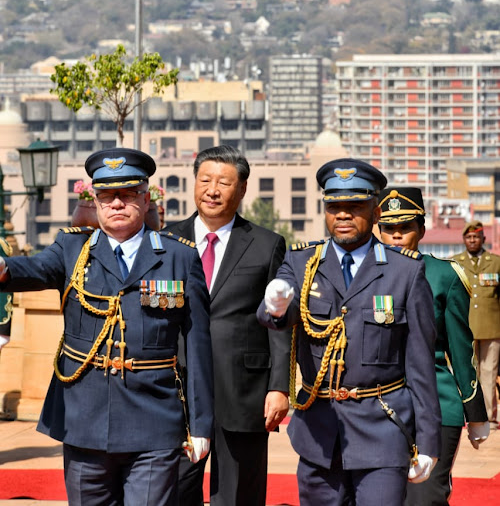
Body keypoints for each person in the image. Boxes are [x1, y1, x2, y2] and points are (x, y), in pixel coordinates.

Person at [0, 147, 213, 506]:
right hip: (85, 420)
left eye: (127, 194)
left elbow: (198, 345)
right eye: (106, 196)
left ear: (146, 200)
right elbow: (27, 270)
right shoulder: (71, 249)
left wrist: (202, 424)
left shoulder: (179, 257)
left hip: (154, 421)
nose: (116, 203)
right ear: (95, 201)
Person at [258, 158, 441, 506]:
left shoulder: (405, 271)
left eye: (354, 205)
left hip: (382, 428)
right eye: (334, 206)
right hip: (319, 433)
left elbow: (420, 365)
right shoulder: (301, 263)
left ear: (375, 212)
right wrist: (276, 306)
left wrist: (428, 442)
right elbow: (271, 317)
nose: (343, 214)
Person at [167, 144, 290, 506]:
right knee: (173, 488)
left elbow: (279, 322)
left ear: (242, 188)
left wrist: (279, 387)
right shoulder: (166, 241)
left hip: (244, 390)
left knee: (239, 494)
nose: (212, 190)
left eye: (223, 182)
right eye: (205, 180)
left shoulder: (267, 245)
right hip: (178, 388)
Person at [377, 187, 489, 505]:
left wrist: (475, 412)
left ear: (422, 230)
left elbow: (460, 349)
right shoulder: (361, 276)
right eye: (389, 228)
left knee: (425, 497)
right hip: (374, 405)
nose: (397, 235)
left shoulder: (444, 276)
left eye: (406, 227)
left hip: (437, 404)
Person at [453, 220, 500, 429]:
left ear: (483, 239)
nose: (472, 240)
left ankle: (489, 416)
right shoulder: (456, 262)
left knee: (489, 372)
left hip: (492, 326)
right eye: (469, 237)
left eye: (476, 237)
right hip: (464, 327)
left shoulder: (496, 262)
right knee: (466, 371)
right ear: (464, 240)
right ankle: (468, 414)